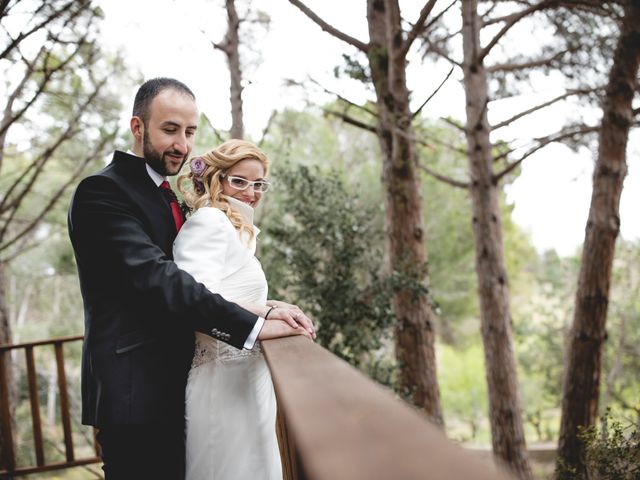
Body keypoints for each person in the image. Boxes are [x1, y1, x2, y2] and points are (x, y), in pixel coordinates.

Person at [67, 77, 314, 479]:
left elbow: (201, 284)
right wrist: (252, 326)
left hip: (180, 385)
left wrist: (263, 307)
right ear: (137, 127)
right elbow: (159, 280)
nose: (182, 144)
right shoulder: (102, 193)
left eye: (189, 131)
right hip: (137, 392)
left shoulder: (169, 197)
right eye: (169, 129)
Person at [174, 140, 289, 480]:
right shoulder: (209, 222)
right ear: (217, 179)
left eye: (258, 184)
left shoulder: (235, 230)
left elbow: (228, 295)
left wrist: (270, 307)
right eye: (240, 181)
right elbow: (197, 300)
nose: (252, 192)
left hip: (248, 380)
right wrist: (264, 316)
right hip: (220, 385)